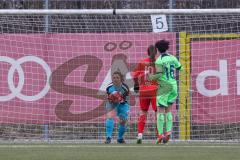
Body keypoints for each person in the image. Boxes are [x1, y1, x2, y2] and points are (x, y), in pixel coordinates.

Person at [149, 40, 182, 144]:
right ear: (167, 48)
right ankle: (168, 132)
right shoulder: (173, 58)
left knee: (160, 111)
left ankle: (160, 134)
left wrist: (151, 77)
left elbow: (159, 74)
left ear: (158, 49)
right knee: (168, 111)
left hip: (164, 87)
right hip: (173, 86)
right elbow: (180, 68)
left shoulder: (159, 60)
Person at [132, 45, 158, 144]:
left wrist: (136, 85)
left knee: (143, 113)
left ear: (147, 52)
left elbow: (135, 76)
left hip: (143, 91)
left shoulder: (142, 62)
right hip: (155, 90)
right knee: (158, 113)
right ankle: (159, 135)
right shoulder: (159, 62)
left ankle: (140, 135)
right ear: (156, 53)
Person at [105, 71, 130, 144]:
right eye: (114, 78)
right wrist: (112, 98)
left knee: (123, 121)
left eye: (117, 78)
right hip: (111, 103)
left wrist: (119, 97)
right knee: (110, 116)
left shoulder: (125, 88)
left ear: (121, 79)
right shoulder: (109, 87)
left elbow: (125, 100)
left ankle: (120, 138)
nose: (115, 79)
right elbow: (108, 97)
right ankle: (108, 137)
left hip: (122, 103)